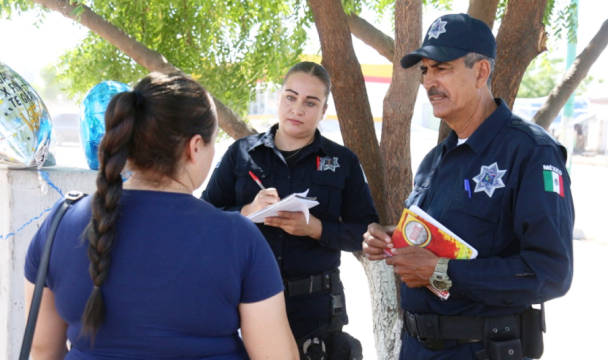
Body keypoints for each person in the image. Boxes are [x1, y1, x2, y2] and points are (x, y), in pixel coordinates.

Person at [24, 72, 298, 360]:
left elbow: (42, 350)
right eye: (212, 142)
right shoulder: (238, 237)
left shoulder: (60, 224)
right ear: (194, 147)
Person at [363, 14, 574, 360]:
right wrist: (388, 241)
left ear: (480, 72)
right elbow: (439, 240)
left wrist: (440, 272)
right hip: (416, 348)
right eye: (424, 71)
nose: (429, 81)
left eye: (441, 68)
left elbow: (551, 272)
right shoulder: (437, 159)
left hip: (479, 349)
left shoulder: (531, 152)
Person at [202, 61, 378, 360]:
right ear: (279, 98)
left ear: (323, 111)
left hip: (315, 310)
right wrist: (246, 211)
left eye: (311, 102)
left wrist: (316, 229)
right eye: (291, 97)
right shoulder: (242, 153)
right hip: (245, 303)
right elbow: (203, 221)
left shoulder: (342, 160)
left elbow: (365, 231)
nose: (298, 109)